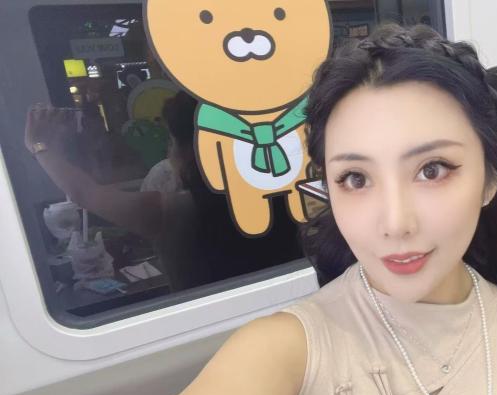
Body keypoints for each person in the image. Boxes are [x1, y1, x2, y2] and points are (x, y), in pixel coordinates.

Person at [158, 24, 497, 395]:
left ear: (490, 179)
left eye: (432, 170)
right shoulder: (283, 350)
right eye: (356, 178)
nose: (395, 223)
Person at [25, 92, 303, 291]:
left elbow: (85, 193)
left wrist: (40, 146)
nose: (169, 152)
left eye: (171, 141)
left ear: (192, 151)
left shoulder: (180, 212)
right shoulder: (282, 194)